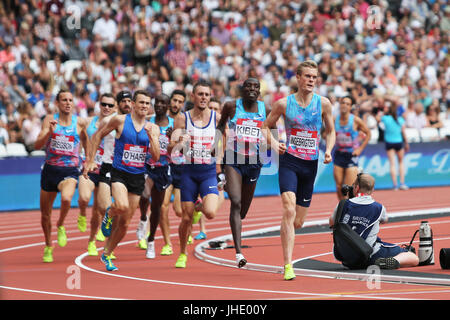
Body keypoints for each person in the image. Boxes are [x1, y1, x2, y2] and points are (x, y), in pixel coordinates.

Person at [263, 60, 336, 280]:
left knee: (297, 221)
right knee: (288, 209)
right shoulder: (283, 104)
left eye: (314, 77)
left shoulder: (323, 103)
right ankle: (288, 265)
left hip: (310, 164)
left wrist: (329, 150)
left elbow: (331, 131)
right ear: (298, 77)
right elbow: (266, 126)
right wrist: (275, 144)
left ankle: (287, 229)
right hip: (290, 161)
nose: (311, 80)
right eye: (307, 76)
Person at [84, 90, 160, 271]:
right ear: (133, 104)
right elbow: (97, 136)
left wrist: (152, 138)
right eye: (141, 102)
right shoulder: (120, 120)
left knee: (125, 224)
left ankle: (107, 254)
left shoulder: (153, 128)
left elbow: (155, 157)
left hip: (137, 176)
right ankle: (110, 213)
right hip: (119, 173)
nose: (144, 106)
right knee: (122, 206)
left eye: (147, 103)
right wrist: (90, 160)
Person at [168, 80, 221, 268]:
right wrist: (179, 142)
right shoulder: (183, 119)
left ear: (210, 96)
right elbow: (171, 149)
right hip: (189, 173)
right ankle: (182, 253)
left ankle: (200, 207)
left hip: (207, 173)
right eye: (200, 94)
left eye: (207, 95)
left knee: (211, 212)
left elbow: (225, 145)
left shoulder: (217, 118)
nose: (204, 98)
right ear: (193, 96)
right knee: (185, 218)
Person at [217, 78, 268, 267]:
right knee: (236, 202)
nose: (252, 89)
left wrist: (268, 142)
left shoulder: (265, 110)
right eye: (249, 86)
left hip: (254, 162)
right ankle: (239, 253)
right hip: (233, 159)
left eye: (256, 86)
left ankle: (237, 223)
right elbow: (221, 126)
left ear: (259, 91)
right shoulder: (231, 106)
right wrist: (217, 146)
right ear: (243, 89)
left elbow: (271, 131)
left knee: (243, 211)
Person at [34, 89, 89, 263]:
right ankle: (49, 246)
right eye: (64, 100)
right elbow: (37, 145)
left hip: (70, 170)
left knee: (66, 199)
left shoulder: (79, 123)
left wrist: (88, 160)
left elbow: (88, 141)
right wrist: (49, 133)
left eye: (70, 100)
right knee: (45, 215)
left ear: (73, 103)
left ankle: (61, 225)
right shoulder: (50, 120)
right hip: (50, 170)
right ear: (57, 103)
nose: (67, 103)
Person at [329, 173, 419, 269]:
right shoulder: (378, 208)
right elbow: (385, 220)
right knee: (413, 257)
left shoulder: (343, 204)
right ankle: (392, 261)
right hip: (367, 255)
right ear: (372, 190)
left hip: (343, 256)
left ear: (356, 187)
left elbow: (332, 223)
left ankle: (379, 261)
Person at [84, 90, 132, 256]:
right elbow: (96, 137)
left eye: (129, 101)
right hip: (108, 166)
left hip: (127, 170)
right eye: (123, 101)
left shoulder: (135, 122)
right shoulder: (108, 120)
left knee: (121, 211)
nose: (126, 104)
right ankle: (107, 217)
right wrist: (90, 160)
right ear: (118, 105)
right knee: (105, 207)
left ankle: (108, 247)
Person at [136, 94, 174, 259]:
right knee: (144, 195)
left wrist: (173, 141)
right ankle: (143, 218)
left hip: (163, 169)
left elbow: (177, 151)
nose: (159, 105)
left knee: (157, 207)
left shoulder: (174, 125)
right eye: (157, 102)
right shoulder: (147, 122)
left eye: (163, 103)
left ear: (167, 106)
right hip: (146, 166)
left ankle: (151, 241)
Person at [77, 93, 116, 236]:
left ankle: (92, 241)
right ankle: (81, 213)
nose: (106, 107)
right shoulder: (88, 121)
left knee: (101, 209)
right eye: (104, 104)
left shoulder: (117, 123)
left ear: (115, 107)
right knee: (84, 198)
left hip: (105, 168)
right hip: (89, 166)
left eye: (110, 105)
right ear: (99, 105)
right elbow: (71, 123)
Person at [159, 89, 186, 256]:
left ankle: (194, 212)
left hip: (182, 168)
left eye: (179, 101)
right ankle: (167, 243)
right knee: (163, 207)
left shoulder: (185, 121)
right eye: (174, 100)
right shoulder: (161, 120)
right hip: (165, 166)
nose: (176, 104)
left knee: (179, 211)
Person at [331, 96, 371, 200]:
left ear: (350, 107)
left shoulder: (355, 120)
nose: (345, 105)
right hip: (339, 154)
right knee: (339, 187)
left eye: (348, 104)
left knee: (348, 188)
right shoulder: (334, 119)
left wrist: (360, 149)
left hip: (351, 155)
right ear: (340, 104)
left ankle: (350, 209)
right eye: (343, 103)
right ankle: (342, 208)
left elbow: (368, 133)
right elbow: (329, 134)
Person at [378, 103, 409, 190]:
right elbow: (403, 132)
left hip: (389, 142)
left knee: (392, 164)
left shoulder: (385, 118)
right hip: (398, 142)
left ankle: (395, 185)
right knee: (401, 163)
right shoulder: (400, 119)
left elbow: (378, 119)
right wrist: (406, 143)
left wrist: (383, 112)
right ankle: (402, 183)